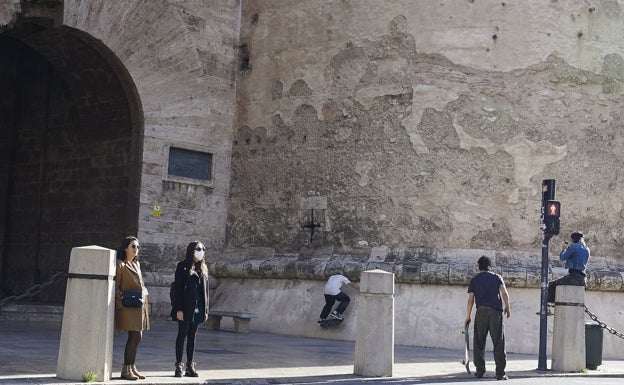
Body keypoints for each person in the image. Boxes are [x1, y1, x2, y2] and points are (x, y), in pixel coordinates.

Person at [465, 256, 511, 380]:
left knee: (479, 342)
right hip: (495, 313)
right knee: (498, 342)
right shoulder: (497, 277)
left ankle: (480, 371)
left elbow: (470, 300)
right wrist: (507, 307)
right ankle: (500, 373)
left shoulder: (474, 280)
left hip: (481, 312)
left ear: (479, 266)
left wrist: (468, 316)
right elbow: (504, 293)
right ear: (489, 266)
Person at [172, 241, 209, 377]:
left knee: (192, 337)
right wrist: (179, 309)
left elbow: (205, 292)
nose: (201, 251)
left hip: (198, 308)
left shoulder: (203, 268)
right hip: (186, 307)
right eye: (198, 248)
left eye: (203, 249)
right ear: (191, 250)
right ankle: (178, 365)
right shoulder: (182, 266)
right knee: (182, 335)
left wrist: (206, 310)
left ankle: (190, 365)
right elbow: (177, 289)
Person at [115, 236, 150, 381]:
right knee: (134, 336)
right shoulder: (120, 264)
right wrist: (119, 305)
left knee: (138, 336)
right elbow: (116, 286)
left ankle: (132, 366)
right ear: (125, 248)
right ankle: (126, 369)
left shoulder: (137, 264)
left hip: (138, 305)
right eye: (133, 246)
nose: (136, 249)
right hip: (127, 306)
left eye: (138, 247)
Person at [547, 231, 590, 304]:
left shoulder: (573, 246)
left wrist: (564, 249)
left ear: (573, 239)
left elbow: (563, 258)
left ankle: (550, 305)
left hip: (574, 276)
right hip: (582, 278)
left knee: (551, 284)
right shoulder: (587, 249)